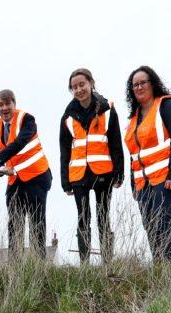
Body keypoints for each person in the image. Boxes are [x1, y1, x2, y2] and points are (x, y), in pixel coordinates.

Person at [0, 89, 52, 261]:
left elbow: (19, 143)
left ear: (14, 103)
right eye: (1, 105)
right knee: (14, 224)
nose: (5, 108)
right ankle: (14, 266)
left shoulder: (27, 119)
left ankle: (40, 264)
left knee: (37, 222)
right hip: (14, 180)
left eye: (8, 104)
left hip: (36, 176)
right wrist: (0, 168)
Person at [124, 66, 171, 265]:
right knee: (151, 226)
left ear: (152, 83)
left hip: (167, 177)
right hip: (143, 184)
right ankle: (159, 269)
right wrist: (133, 186)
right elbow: (133, 156)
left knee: (164, 222)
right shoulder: (133, 119)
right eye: (135, 85)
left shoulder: (167, 105)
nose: (139, 87)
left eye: (143, 82)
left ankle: (169, 271)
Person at [59, 68, 124, 265]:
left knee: (103, 218)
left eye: (82, 85)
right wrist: (65, 182)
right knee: (83, 219)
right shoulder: (67, 117)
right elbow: (64, 151)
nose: (78, 90)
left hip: (103, 173)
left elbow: (116, 144)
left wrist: (119, 174)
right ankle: (85, 264)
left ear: (91, 83)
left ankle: (107, 262)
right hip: (78, 176)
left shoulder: (108, 110)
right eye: (74, 87)